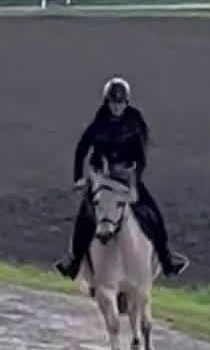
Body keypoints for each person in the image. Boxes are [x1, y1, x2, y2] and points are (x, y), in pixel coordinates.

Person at [55, 77, 189, 281]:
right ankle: (74, 261)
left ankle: (167, 258)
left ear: (126, 102)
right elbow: (82, 149)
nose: (116, 107)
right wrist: (78, 178)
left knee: (152, 214)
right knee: (85, 216)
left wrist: (135, 183)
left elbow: (141, 155)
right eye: (112, 103)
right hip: (101, 178)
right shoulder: (98, 122)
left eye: (120, 103)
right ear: (107, 102)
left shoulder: (135, 122)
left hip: (127, 177)